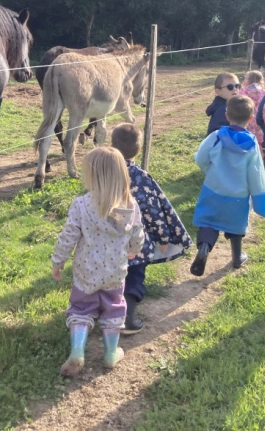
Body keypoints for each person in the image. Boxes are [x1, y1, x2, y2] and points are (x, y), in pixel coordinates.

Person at [51, 147, 145, 376]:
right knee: (113, 310)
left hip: (86, 271)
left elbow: (69, 235)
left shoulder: (82, 205)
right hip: (115, 271)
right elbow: (138, 234)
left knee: (81, 309)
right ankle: (111, 353)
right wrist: (134, 250)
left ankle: (77, 351)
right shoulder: (131, 206)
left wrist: (58, 260)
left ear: (92, 175)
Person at [110, 123, 193, 334]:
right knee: (134, 277)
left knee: (110, 278)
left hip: (106, 241)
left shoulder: (103, 174)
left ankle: (101, 313)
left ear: (111, 146)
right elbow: (152, 210)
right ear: (139, 149)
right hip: (134, 243)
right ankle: (127, 318)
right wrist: (164, 237)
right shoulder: (141, 178)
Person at [190, 95, 265, 277]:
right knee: (235, 226)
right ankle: (236, 257)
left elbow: (201, 156)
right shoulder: (251, 144)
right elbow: (256, 172)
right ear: (250, 119)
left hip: (213, 189)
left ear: (227, 115)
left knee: (208, 222)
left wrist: (208, 170)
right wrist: (258, 196)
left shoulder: (216, 136)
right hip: (238, 195)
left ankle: (204, 248)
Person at [239, 70, 265, 145]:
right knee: (259, 140)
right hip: (260, 119)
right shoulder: (263, 91)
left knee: (248, 138)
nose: (244, 80)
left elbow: (238, 100)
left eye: (246, 78)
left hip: (248, 118)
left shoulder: (244, 92)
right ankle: (260, 155)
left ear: (250, 80)